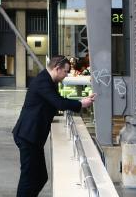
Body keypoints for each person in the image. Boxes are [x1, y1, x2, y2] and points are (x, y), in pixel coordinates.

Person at [12, 55, 95, 197]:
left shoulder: (48, 81)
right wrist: (81, 104)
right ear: (57, 69)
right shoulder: (43, 82)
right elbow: (60, 103)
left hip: (33, 137)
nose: (66, 75)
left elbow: (56, 102)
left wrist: (79, 101)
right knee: (29, 178)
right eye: (66, 72)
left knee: (41, 177)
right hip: (27, 135)